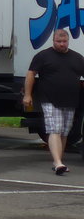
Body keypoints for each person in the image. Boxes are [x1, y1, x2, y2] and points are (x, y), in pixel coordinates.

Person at [23, 28, 84, 175]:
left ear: (68, 41)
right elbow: (31, 74)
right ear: (53, 41)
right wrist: (27, 95)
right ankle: (58, 162)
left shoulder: (77, 58)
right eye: (59, 41)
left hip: (70, 100)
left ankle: (59, 162)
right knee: (54, 129)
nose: (62, 44)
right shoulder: (43, 56)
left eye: (64, 41)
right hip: (49, 99)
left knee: (64, 132)